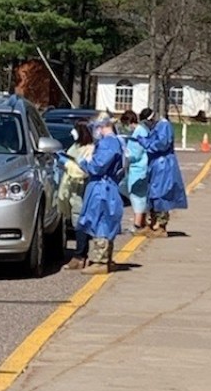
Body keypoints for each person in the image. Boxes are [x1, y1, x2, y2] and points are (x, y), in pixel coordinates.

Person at [75, 115, 125, 274]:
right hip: (106, 186)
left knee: (100, 221)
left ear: (101, 127)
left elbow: (98, 166)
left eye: (96, 127)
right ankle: (106, 259)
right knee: (104, 220)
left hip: (102, 188)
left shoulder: (108, 143)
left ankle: (100, 261)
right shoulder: (116, 142)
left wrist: (84, 162)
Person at [136, 107, 188, 237]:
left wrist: (145, 142)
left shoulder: (164, 126)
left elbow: (161, 144)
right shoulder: (156, 127)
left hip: (164, 165)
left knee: (161, 195)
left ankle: (161, 226)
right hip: (155, 164)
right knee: (151, 195)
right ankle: (151, 223)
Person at [56, 120, 94, 270]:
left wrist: (66, 163)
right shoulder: (76, 146)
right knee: (75, 220)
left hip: (80, 191)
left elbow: (83, 171)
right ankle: (81, 256)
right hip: (71, 191)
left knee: (80, 223)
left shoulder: (89, 149)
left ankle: (80, 255)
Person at [119, 109, 149, 233]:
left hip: (139, 169)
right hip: (135, 169)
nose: (125, 128)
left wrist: (124, 156)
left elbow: (135, 153)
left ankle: (138, 224)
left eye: (125, 124)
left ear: (129, 122)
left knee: (137, 196)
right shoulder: (139, 131)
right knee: (124, 188)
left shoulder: (139, 133)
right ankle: (142, 220)